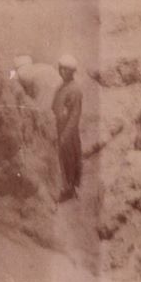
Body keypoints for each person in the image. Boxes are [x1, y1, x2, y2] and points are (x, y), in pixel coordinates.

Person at [52, 54, 83, 202]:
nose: (63, 72)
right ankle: (66, 187)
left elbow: (74, 116)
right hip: (59, 128)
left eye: (67, 70)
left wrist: (65, 135)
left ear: (72, 72)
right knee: (63, 160)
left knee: (70, 159)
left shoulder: (75, 90)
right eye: (61, 69)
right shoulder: (62, 86)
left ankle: (70, 189)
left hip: (69, 131)